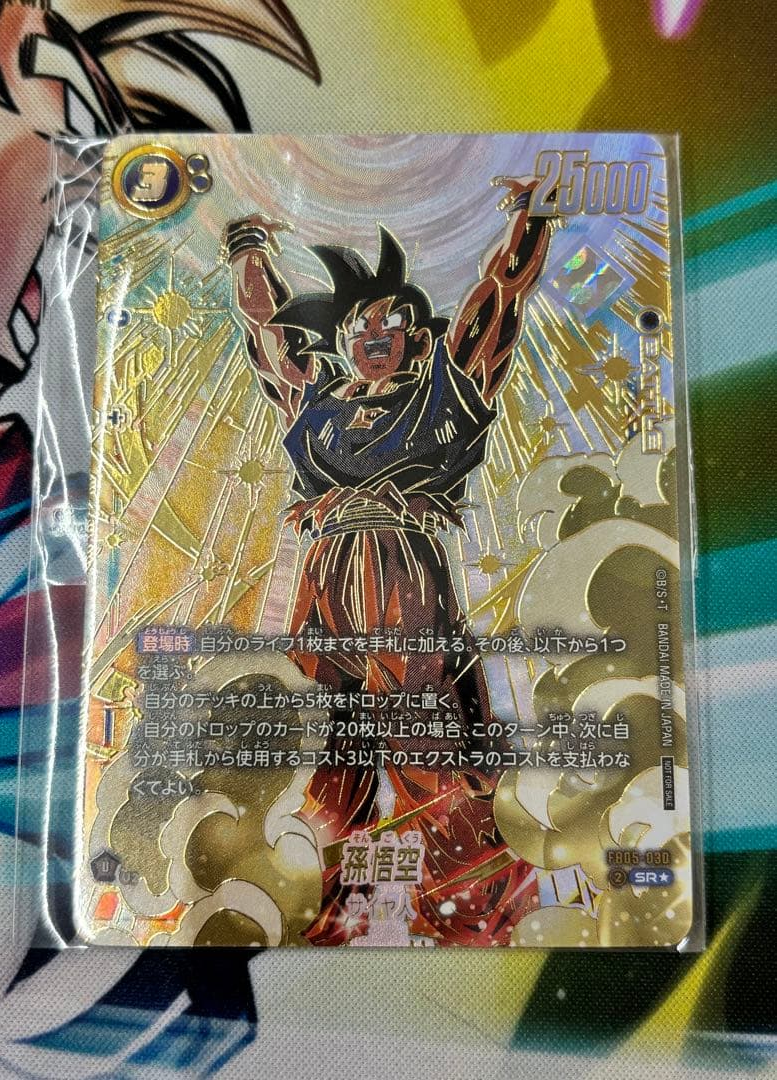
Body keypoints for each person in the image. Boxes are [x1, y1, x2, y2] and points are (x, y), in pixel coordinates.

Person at [224, 177, 553, 944]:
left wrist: (532, 220)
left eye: (392, 321)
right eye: (360, 324)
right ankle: (320, 909)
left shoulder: (443, 394)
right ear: (341, 342)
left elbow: (496, 307)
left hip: (401, 575)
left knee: (426, 744)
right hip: (327, 583)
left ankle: (471, 910)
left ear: (415, 336)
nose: (375, 333)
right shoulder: (318, 408)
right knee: (329, 753)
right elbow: (270, 337)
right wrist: (247, 249)